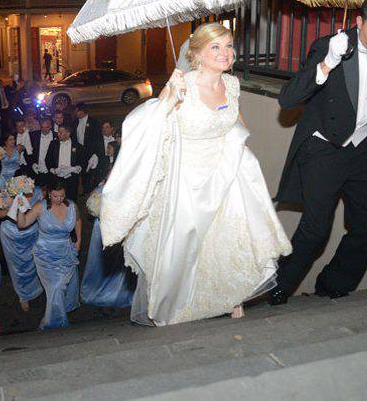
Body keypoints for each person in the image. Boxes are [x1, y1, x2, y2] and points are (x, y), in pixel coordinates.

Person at [100, 22, 292, 326]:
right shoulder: (182, 84)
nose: (225, 53)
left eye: (228, 46)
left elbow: (237, 122)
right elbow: (148, 127)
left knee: (231, 239)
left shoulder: (231, 85)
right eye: (215, 47)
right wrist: (167, 100)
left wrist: (238, 150)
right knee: (187, 248)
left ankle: (233, 300)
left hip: (226, 175)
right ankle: (178, 305)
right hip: (187, 181)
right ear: (197, 54)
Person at [270, 0, 367, 305]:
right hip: (324, 150)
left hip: (361, 151)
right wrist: (328, 63)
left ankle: (332, 287)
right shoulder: (329, 46)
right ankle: (277, 287)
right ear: (359, 20)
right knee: (316, 230)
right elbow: (288, 99)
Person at [18, 179, 81, 329]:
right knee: (56, 287)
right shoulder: (40, 207)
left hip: (65, 251)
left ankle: (57, 316)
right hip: (46, 254)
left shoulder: (72, 206)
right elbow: (23, 224)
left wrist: (78, 241)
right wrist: (20, 209)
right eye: (55, 196)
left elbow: (78, 221)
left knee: (60, 287)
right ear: (48, 195)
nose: (58, 199)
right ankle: (55, 321)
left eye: (61, 196)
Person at [81, 163, 136, 308]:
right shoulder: (100, 189)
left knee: (119, 260)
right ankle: (95, 288)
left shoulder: (124, 189)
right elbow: (91, 206)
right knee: (99, 260)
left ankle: (119, 291)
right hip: (101, 229)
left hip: (118, 228)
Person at [0, 182, 46, 311]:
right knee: (17, 266)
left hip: (32, 233)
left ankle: (37, 286)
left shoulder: (38, 192)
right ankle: (23, 295)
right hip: (11, 234)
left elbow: (43, 210)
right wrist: (11, 207)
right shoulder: (7, 194)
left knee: (34, 262)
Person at [45, 124, 83, 202]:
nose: (58, 134)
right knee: (56, 200)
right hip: (57, 178)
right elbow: (47, 159)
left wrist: (76, 168)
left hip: (71, 178)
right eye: (58, 132)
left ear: (68, 133)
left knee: (71, 200)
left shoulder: (77, 145)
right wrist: (53, 170)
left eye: (60, 132)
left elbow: (82, 161)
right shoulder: (53, 144)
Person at [73, 103, 102, 191]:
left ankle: (90, 190)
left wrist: (95, 153)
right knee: (81, 172)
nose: (74, 113)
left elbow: (98, 139)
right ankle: (84, 189)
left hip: (90, 152)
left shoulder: (94, 122)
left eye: (76, 111)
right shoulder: (75, 122)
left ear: (81, 111)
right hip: (79, 152)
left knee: (89, 173)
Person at [29, 116, 56, 188]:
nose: (44, 130)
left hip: (52, 170)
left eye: (46, 127)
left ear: (50, 126)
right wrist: (32, 163)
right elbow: (28, 151)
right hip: (37, 168)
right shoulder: (34, 135)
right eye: (42, 127)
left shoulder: (56, 136)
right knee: (37, 191)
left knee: (51, 190)